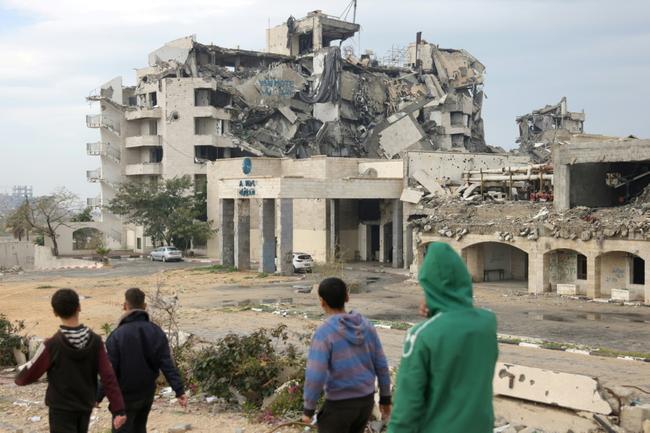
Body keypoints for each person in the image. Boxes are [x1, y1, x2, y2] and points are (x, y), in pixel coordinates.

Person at [388, 242, 498, 433]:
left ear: (429, 285)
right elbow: (459, 320)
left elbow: (407, 408)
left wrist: (435, 312)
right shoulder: (487, 324)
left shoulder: (421, 335)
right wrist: (438, 310)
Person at [15, 288, 127, 433]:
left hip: (60, 409)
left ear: (55, 312)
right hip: (85, 406)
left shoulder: (51, 345)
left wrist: (19, 378)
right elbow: (108, 376)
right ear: (79, 307)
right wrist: (119, 409)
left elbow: (29, 374)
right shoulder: (96, 341)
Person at [302, 277, 392, 433]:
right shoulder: (366, 326)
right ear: (347, 297)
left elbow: (315, 375)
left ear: (322, 302)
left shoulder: (324, 332)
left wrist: (308, 410)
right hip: (365, 404)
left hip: (339, 406)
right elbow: (382, 365)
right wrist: (385, 399)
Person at [99, 287, 187, 433]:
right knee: (140, 428)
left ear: (125, 306)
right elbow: (167, 365)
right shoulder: (156, 332)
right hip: (146, 394)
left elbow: (109, 371)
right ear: (145, 306)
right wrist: (179, 390)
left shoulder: (116, 336)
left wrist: (98, 396)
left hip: (124, 397)